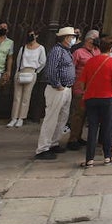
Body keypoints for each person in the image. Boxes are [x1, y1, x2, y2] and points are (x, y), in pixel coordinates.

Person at [34, 27, 77, 160]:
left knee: (62, 117)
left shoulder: (66, 51)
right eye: (71, 37)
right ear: (66, 38)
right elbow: (51, 69)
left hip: (66, 88)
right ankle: (42, 148)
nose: (73, 39)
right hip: (57, 89)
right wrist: (57, 85)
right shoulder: (57, 51)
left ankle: (54, 142)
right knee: (51, 118)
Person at [80, 37, 112, 168]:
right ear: (111, 48)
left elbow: (82, 82)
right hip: (107, 97)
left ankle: (89, 159)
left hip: (91, 97)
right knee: (107, 127)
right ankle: (108, 157)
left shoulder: (90, 61)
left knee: (92, 128)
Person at [66, 30, 100, 148]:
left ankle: (79, 136)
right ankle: (73, 139)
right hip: (80, 87)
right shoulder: (78, 53)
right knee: (78, 113)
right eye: (95, 38)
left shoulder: (97, 52)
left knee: (86, 114)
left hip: (93, 88)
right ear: (89, 39)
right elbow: (71, 68)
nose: (97, 40)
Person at [8, 29, 47, 127]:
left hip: (31, 71)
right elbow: (19, 61)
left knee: (26, 96)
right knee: (17, 96)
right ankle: (14, 117)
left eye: (32, 34)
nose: (30, 36)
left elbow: (43, 61)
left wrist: (36, 71)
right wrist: (17, 72)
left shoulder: (40, 48)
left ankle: (21, 117)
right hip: (21, 71)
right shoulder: (23, 48)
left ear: (36, 36)